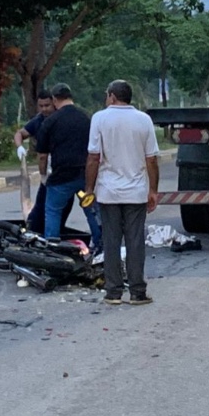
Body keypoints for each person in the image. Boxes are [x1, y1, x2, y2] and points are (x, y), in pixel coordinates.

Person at [83, 80, 159, 306]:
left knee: (111, 241)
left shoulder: (99, 118)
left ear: (113, 96)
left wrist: (89, 188)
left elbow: (93, 158)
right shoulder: (143, 120)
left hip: (108, 192)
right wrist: (153, 190)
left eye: (107, 95)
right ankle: (137, 292)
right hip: (136, 192)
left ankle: (113, 292)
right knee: (135, 242)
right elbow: (152, 159)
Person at [35, 83, 102, 250]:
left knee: (52, 211)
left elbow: (42, 155)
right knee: (91, 211)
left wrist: (43, 176)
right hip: (85, 176)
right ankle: (101, 245)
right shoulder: (87, 118)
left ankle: (52, 247)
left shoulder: (50, 122)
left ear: (55, 100)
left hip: (61, 178)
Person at [13, 89, 72, 234]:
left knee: (62, 206)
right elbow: (20, 133)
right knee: (41, 207)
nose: (45, 109)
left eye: (48, 105)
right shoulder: (39, 120)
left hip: (63, 169)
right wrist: (19, 146)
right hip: (49, 172)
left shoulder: (62, 119)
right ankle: (37, 233)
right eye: (41, 106)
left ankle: (54, 235)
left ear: (54, 103)